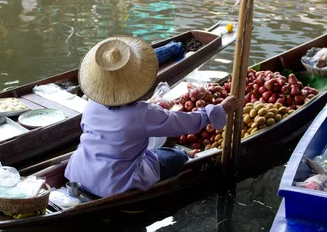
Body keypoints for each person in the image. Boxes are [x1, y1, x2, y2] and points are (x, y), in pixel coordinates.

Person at [65, 36, 238, 198]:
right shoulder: (142, 113)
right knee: (176, 156)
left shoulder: (93, 104)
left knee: (153, 150)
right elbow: (186, 123)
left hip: (78, 170)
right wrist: (220, 109)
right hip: (115, 184)